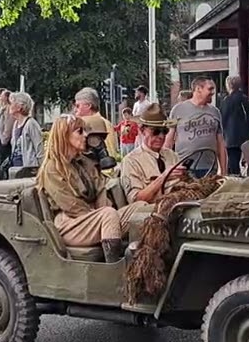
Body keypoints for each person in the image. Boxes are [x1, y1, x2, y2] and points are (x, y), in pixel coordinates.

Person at [36, 116, 124, 262]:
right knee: (109, 215)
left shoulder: (83, 162)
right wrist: (99, 215)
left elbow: (100, 188)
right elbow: (71, 206)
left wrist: (103, 212)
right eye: (79, 131)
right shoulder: (52, 168)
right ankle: (113, 271)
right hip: (70, 223)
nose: (85, 136)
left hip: (92, 216)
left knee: (138, 211)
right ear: (64, 135)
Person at [119, 104, 183, 207]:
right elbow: (136, 200)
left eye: (164, 131)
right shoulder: (131, 161)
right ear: (142, 131)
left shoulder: (172, 155)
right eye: (156, 132)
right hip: (150, 215)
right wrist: (164, 177)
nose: (161, 136)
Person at [167, 76, 227, 178]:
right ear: (198, 89)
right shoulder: (177, 109)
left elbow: (220, 143)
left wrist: (223, 171)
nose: (213, 92)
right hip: (184, 167)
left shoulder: (215, 112)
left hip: (210, 168)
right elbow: (168, 139)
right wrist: (168, 167)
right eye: (210, 89)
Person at [220, 75, 249, 176]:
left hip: (231, 138)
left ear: (228, 85)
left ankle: (235, 178)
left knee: (233, 163)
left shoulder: (227, 100)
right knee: (248, 161)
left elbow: (222, 119)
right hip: (245, 137)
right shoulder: (244, 99)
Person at [72, 87, 119, 156]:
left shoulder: (104, 124)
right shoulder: (82, 123)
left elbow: (109, 154)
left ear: (88, 106)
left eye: (78, 106)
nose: (75, 110)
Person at [7, 91, 43, 173]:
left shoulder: (31, 124)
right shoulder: (16, 124)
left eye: (12, 103)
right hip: (16, 168)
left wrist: (41, 170)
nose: (9, 106)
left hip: (28, 169)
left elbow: (39, 149)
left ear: (20, 107)